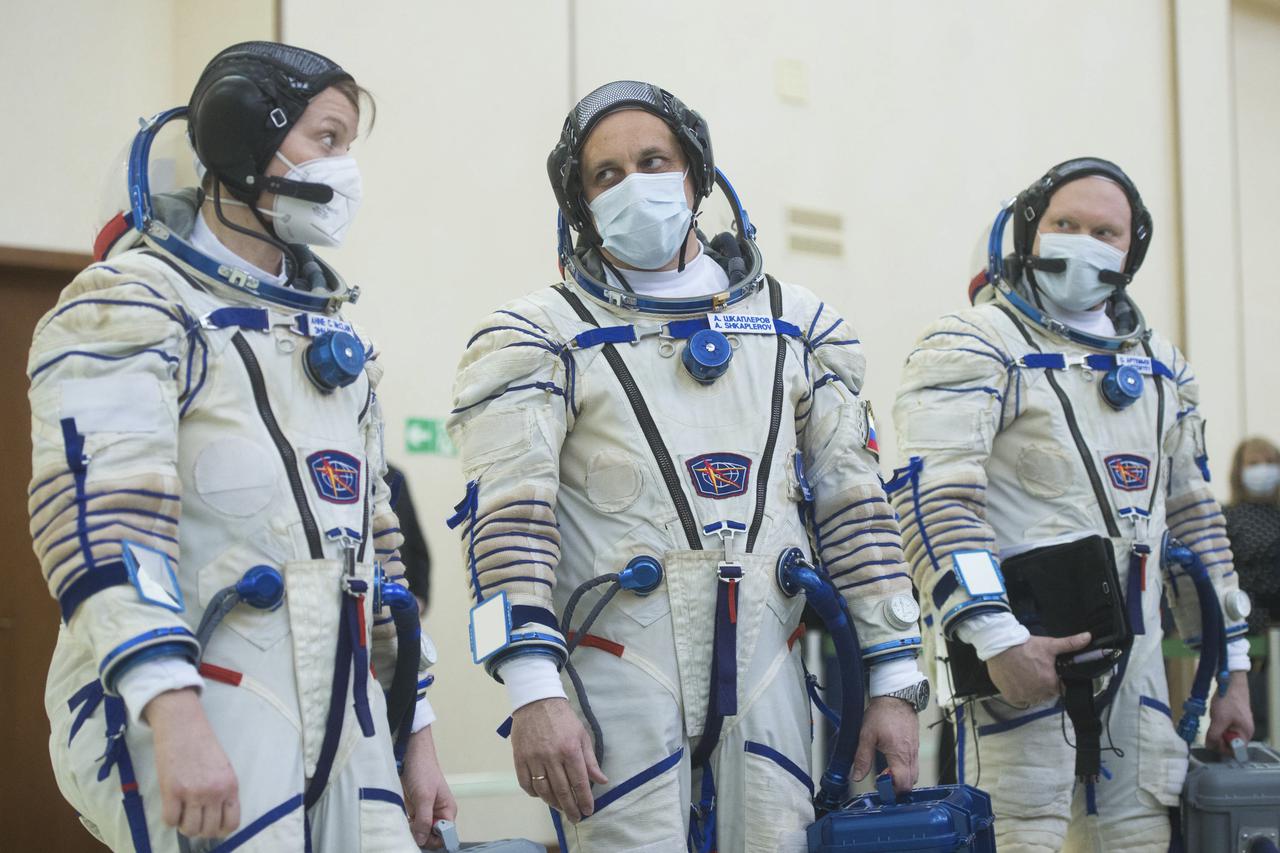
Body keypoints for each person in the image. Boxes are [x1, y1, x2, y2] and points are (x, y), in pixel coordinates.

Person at [446, 80, 928, 852]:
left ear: (697, 175)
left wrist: (895, 681)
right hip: (616, 679)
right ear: (581, 203)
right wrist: (533, 689)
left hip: (771, 675)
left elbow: (856, 509)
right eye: (606, 174)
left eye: (653, 161)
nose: (633, 184)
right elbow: (509, 524)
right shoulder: (537, 336)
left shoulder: (799, 327)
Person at [28, 41, 453, 851]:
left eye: (347, 145)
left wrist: (415, 727)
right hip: (198, 700)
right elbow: (102, 526)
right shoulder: (131, 304)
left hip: (350, 712)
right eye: (326, 138)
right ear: (240, 137)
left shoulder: (336, 341)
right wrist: (174, 712)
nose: (343, 167)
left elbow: (379, 559)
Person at [891, 157, 1253, 852]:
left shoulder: (1162, 367)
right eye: (1066, 223)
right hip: (1023, 663)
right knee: (1020, 835)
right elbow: (935, 503)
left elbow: (1198, 526)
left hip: (1140, 680)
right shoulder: (974, 343)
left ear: (1131, 249)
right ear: (1030, 231)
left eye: (1105, 231)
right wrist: (997, 637)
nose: (1085, 243)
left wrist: (1231, 674)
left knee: (1140, 838)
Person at [1225, 435, 1280, 739]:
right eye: (1254, 463)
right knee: (1253, 721)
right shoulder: (1227, 519)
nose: (1264, 470)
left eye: (1270, 462)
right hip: (1246, 635)